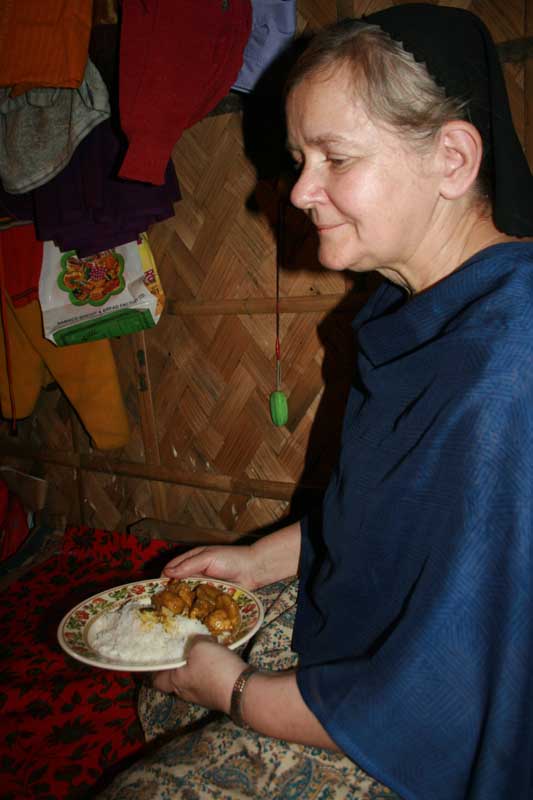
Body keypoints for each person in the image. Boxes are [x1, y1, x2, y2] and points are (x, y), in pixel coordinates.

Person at [99, 4, 533, 799]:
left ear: (451, 157)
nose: (298, 192)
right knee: (163, 658)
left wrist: (238, 694)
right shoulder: (408, 310)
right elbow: (393, 516)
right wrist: (256, 561)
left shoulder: (511, 366)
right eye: (299, 158)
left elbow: (451, 687)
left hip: (448, 730)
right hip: (372, 640)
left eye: (333, 157)